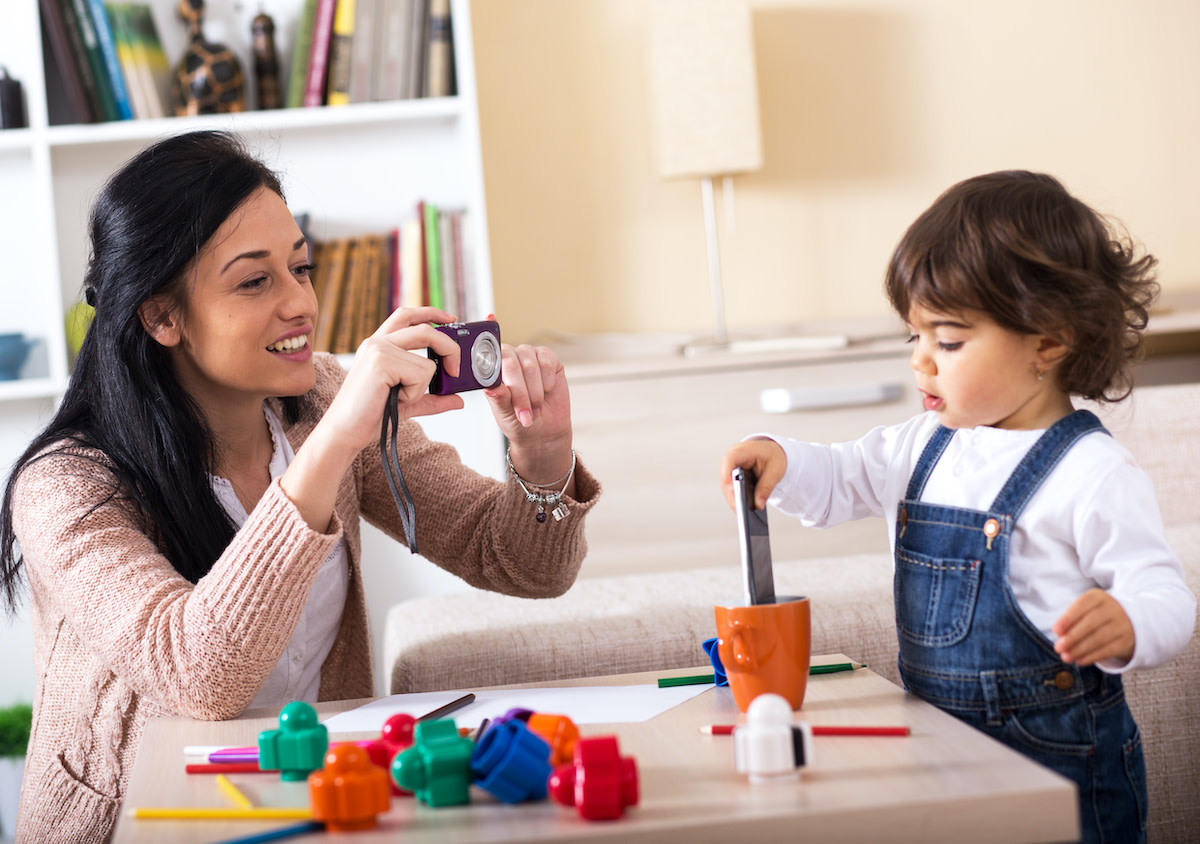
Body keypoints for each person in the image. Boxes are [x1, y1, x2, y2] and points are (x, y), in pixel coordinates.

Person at [0, 129, 600, 843]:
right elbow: (199, 675)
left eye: (301, 268)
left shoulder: (320, 398)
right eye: (255, 281)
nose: (301, 305)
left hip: (309, 813)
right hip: (141, 825)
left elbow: (522, 565)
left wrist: (541, 452)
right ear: (162, 317)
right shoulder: (64, 486)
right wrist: (338, 439)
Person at [719, 171, 1195, 844]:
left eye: (947, 341)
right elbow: (845, 475)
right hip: (941, 757)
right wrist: (784, 460)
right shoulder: (923, 445)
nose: (921, 362)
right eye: (913, 337)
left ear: (1049, 341)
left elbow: (1166, 595)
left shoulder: (1091, 472)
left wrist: (1131, 622)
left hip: (1061, 774)